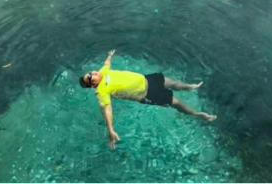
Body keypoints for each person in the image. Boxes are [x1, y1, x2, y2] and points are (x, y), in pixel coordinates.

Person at [80, 50, 217, 149]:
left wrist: (109, 55)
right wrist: (110, 129)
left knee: (175, 84)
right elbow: (107, 109)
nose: (92, 73)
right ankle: (197, 114)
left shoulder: (102, 72)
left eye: (90, 73)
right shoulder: (101, 91)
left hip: (148, 79)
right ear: (93, 84)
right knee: (177, 103)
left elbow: (107, 64)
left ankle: (188, 87)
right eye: (90, 77)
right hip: (147, 94)